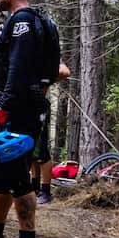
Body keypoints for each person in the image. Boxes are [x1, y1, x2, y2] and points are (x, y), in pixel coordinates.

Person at [0, 0, 62, 238]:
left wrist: (3, 107)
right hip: (18, 105)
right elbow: (47, 70)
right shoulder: (37, 22)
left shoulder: (23, 22)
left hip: (17, 111)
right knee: (2, 173)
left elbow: (19, 69)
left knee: (16, 177)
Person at [31, 61, 72, 204]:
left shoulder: (45, 54)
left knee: (41, 152)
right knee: (31, 149)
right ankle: (34, 187)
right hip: (25, 106)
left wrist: (46, 81)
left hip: (39, 106)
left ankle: (46, 191)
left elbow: (64, 71)